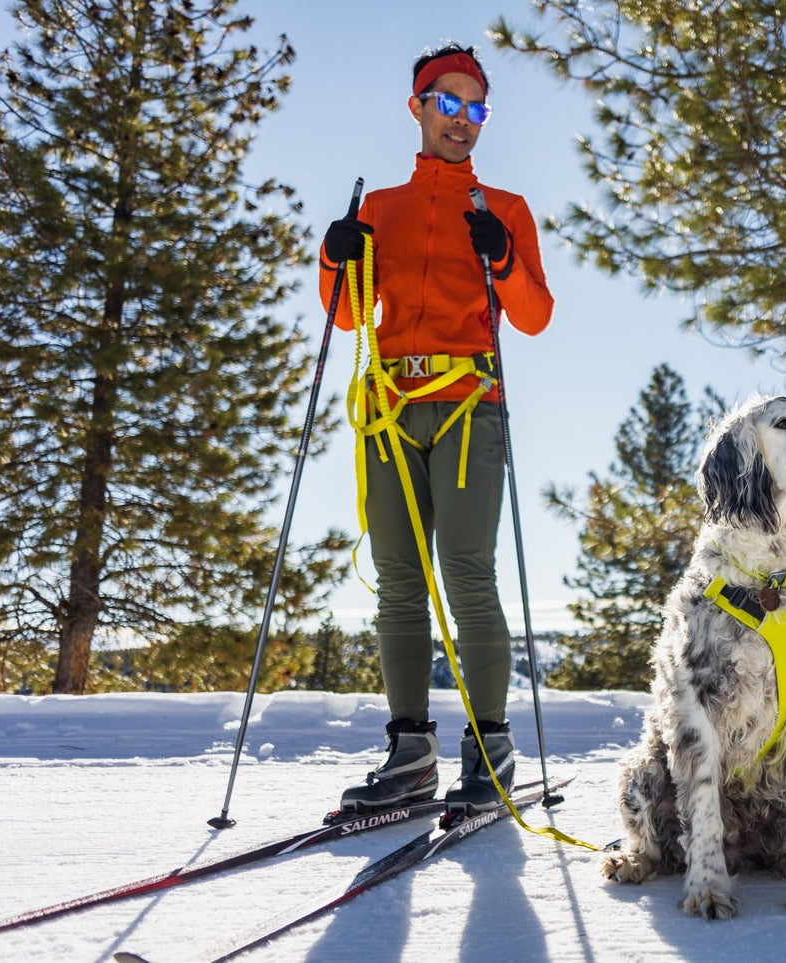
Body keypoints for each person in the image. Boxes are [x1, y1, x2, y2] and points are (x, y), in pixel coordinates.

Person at [318, 43, 552, 817]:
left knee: (467, 573)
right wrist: (334, 253)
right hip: (390, 407)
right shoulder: (380, 208)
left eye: (475, 107)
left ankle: (491, 752)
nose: (461, 119)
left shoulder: (503, 210)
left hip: (467, 407)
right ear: (417, 108)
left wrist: (506, 258)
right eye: (446, 103)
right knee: (398, 583)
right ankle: (410, 751)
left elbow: (534, 315)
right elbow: (346, 314)